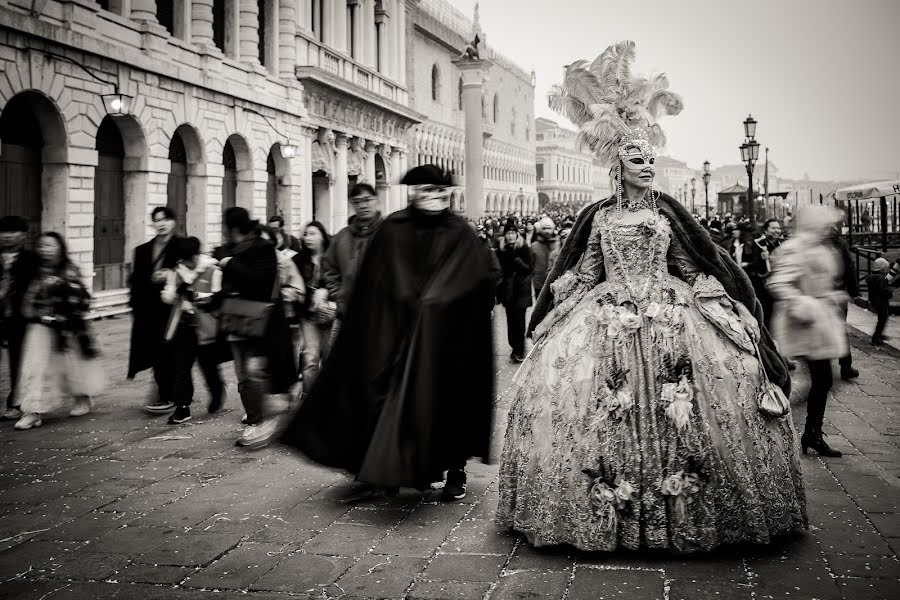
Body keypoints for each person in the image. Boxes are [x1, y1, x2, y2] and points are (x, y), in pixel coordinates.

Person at [496, 42, 802, 553]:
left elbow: (691, 263)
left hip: (670, 314)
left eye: (650, 158)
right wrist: (561, 301)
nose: (646, 166)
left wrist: (723, 301)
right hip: (607, 316)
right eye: (637, 159)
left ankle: (684, 507)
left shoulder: (667, 216)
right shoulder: (600, 218)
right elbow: (587, 269)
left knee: (698, 397)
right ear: (618, 164)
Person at [281, 164, 495, 502]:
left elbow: (477, 280)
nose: (431, 197)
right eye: (424, 191)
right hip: (391, 335)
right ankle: (379, 471)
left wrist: (439, 303)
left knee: (449, 404)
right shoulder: (393, 228)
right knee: (380, 399)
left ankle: (455, 470)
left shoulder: (460, 233)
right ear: (414, 193)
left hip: (447, 342)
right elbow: (371, 280)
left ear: (446, 195)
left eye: (437, 191)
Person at [768, 205, 849, 458]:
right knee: (821, 380)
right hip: (804, 323)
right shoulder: (795, 248)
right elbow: (778, 282)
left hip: (818, 321)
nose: (829, 229)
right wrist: (804, 303)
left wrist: (830, 295)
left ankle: (810, 432)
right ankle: (793, 421)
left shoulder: (818, 247)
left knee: (824, 380)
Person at [214, 207, 296, 448]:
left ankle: (265, 420)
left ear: (234, 227)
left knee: (254, 371)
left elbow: (259, 283)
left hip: (262, 322)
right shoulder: (228, 250)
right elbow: (230, 288)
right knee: (243, 375)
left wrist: (230, 264)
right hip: (236, 321)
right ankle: (254, 419)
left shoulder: (262, 248)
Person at [13, 233, 104, 430]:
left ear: (60, 248)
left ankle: (82, 397)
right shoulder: (33, 271)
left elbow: (81, 297)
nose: (46, 249)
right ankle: (32, 411)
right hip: (39, 326)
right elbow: (25, 298)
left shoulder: (69, 270)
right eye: (42, 245)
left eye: (51, 245)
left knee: (69, 365)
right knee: (35, 367)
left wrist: (64, 312)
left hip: (65, 328)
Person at [160, 236, 229, 423]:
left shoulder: (212, 270)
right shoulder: (177, 272)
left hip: (206, 326)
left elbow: (218, 299)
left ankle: (216, 392)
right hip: (184, 325)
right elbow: (167, 297)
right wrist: (172, 292)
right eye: (182, 260)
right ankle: (183, 406)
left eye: (188, 259)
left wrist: (197, 296)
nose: (185, 263)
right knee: (181, 367)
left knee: (208, 366)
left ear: (196, 255)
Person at [128, 207, 182, 414]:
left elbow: (192, 271)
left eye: (165, 219)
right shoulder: (142, 250)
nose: (161, 224)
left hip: (175, 309)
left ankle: (174, 392)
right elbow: (135, 280)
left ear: (173, 222)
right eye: (157, 220)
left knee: (174, 353)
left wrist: (170, 274)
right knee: (157, 352)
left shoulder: (182, 246)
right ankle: (166, 394)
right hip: (150, 309)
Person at [323, 183, 384, 331]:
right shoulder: (342, 237)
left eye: (367, 200)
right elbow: (329, 269)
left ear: (376, 200)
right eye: (358, 202)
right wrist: (340, 295)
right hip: (347, 313)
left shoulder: (389, 232)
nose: (363, 205)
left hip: (383, 315)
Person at [0, 216, 39, 420]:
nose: (7, 236)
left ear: (23, 235)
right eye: (3, 232)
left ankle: (14, 403)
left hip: (19, 319)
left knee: (18, 361)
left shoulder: (31, 259)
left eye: (13, 232)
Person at [292, 221, 334, 396]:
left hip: (332, 314)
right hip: (308, 317)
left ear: (323, 236)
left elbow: (343, 282)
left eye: (312, 233)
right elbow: (293, 286)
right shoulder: (298, 260)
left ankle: (329, 395)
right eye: (306, 234)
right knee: (310, 358)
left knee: (330, 357)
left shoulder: (334, 257)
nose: (308, 238)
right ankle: (309, 397)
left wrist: (329, 296)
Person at [824, 221, 860, 380]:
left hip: (822, 295)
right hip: (836, 294)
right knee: (839, 330)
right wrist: (853, 291)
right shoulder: (840, 244)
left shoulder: (814, 245)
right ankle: (845, 366)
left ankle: (828, 366)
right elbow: (850, 267)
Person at [498, 220, 534, 363]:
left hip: (521, 289)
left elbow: (529, 268)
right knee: (510, 321)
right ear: (505, 235)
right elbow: (500, 271)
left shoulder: (524, 247)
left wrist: (519, 261)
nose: (511, 236)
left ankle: (519, 350)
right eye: (508, 233)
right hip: (507, 290)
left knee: (519, 321)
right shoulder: (502, 249)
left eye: (513, 233)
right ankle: (514, 347)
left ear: (517, 234)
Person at [746, 218, 783, 328]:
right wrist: (763, 259)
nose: (776, 230)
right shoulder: (759, 244)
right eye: (773, 228)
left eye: (778, 228)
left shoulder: (781, 244)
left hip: (779, 286)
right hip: (764, 287)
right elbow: (757, 267)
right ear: (766, 231)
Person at [867, 257, 896, 345]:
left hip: (874, 301)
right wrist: (890, 292)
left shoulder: (872, 276)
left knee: (881, 319)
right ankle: (876, 337)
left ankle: (879, 335)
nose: (887, 271)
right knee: (882, 320)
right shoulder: (881, 278)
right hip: (882, 302)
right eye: (886, 269)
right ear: (883, 268)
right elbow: (884, 290)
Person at [530, 217, 557, 297]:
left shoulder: (558, 245)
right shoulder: (534, 246)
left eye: (549, 228)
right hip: (539, 282)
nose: (546, 231)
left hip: (555, 282)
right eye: (544, 228)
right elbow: (531, 264)